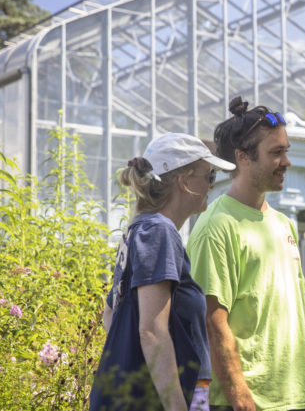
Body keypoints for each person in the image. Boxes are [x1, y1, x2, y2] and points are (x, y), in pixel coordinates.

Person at [186, 97, 305, 411]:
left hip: (300, 400)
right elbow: (213, 325)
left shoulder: (283, 225)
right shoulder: (216, 226)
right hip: (247, 403)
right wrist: (243, 402)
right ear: (243, 157)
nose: (287, 162)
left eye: (286, 151)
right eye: (276, 153)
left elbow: (295, 319)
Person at [91, 133, 236, 411]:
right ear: (184, 181)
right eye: (209, 176)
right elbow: (152, 331)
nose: (211, 185)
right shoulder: (158, 231)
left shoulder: (139, 230)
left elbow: (111, 313)